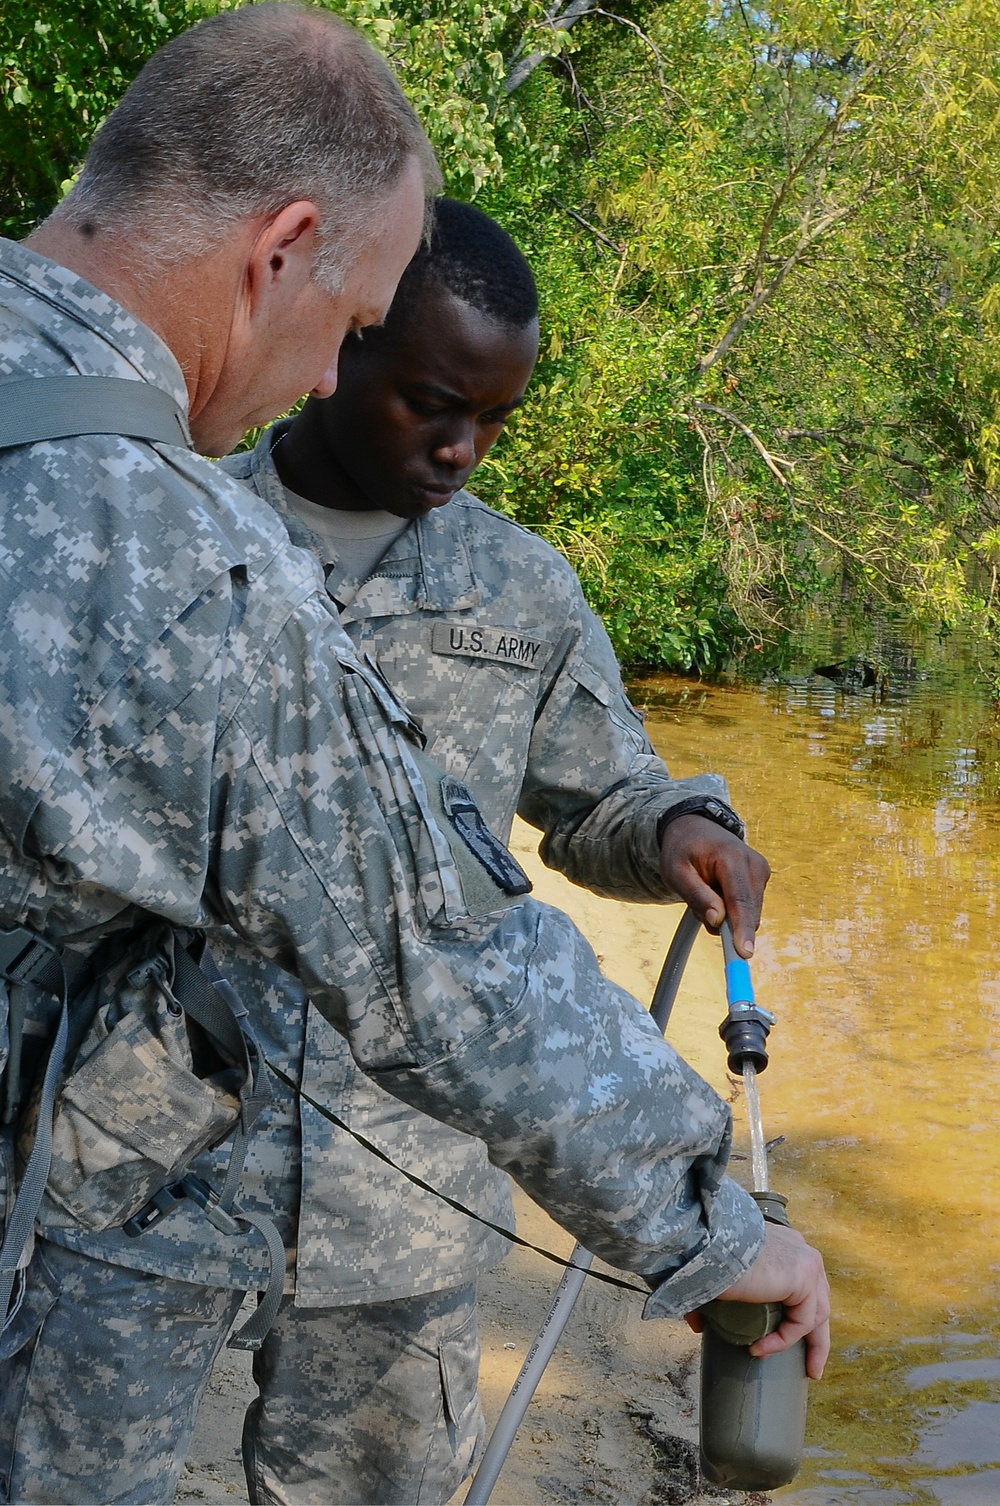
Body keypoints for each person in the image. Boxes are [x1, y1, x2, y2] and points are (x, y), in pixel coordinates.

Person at [0, 7, 829, 1505]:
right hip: (138, 1174)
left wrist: (673, 823)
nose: (330, 386)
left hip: (406, 1187)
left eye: (491, 424)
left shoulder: (517, 587)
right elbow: (434, 943)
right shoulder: (196, 552)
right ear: (293, 261)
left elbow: (592, 791)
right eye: (384, 360)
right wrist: (713, 1221)